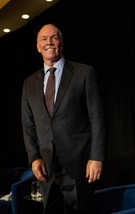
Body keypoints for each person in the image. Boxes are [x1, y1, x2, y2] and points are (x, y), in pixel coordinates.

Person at [21, 23, 107, 214]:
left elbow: (97, 117)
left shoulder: (84, 73)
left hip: (80, 166)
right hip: (47, 169)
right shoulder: (29, 84)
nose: (49, 42)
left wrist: (96, 157)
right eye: (44, 39)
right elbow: (28, 126)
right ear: (37, 46)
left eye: (54, 38)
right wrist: (34, 158)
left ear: (61, 43)